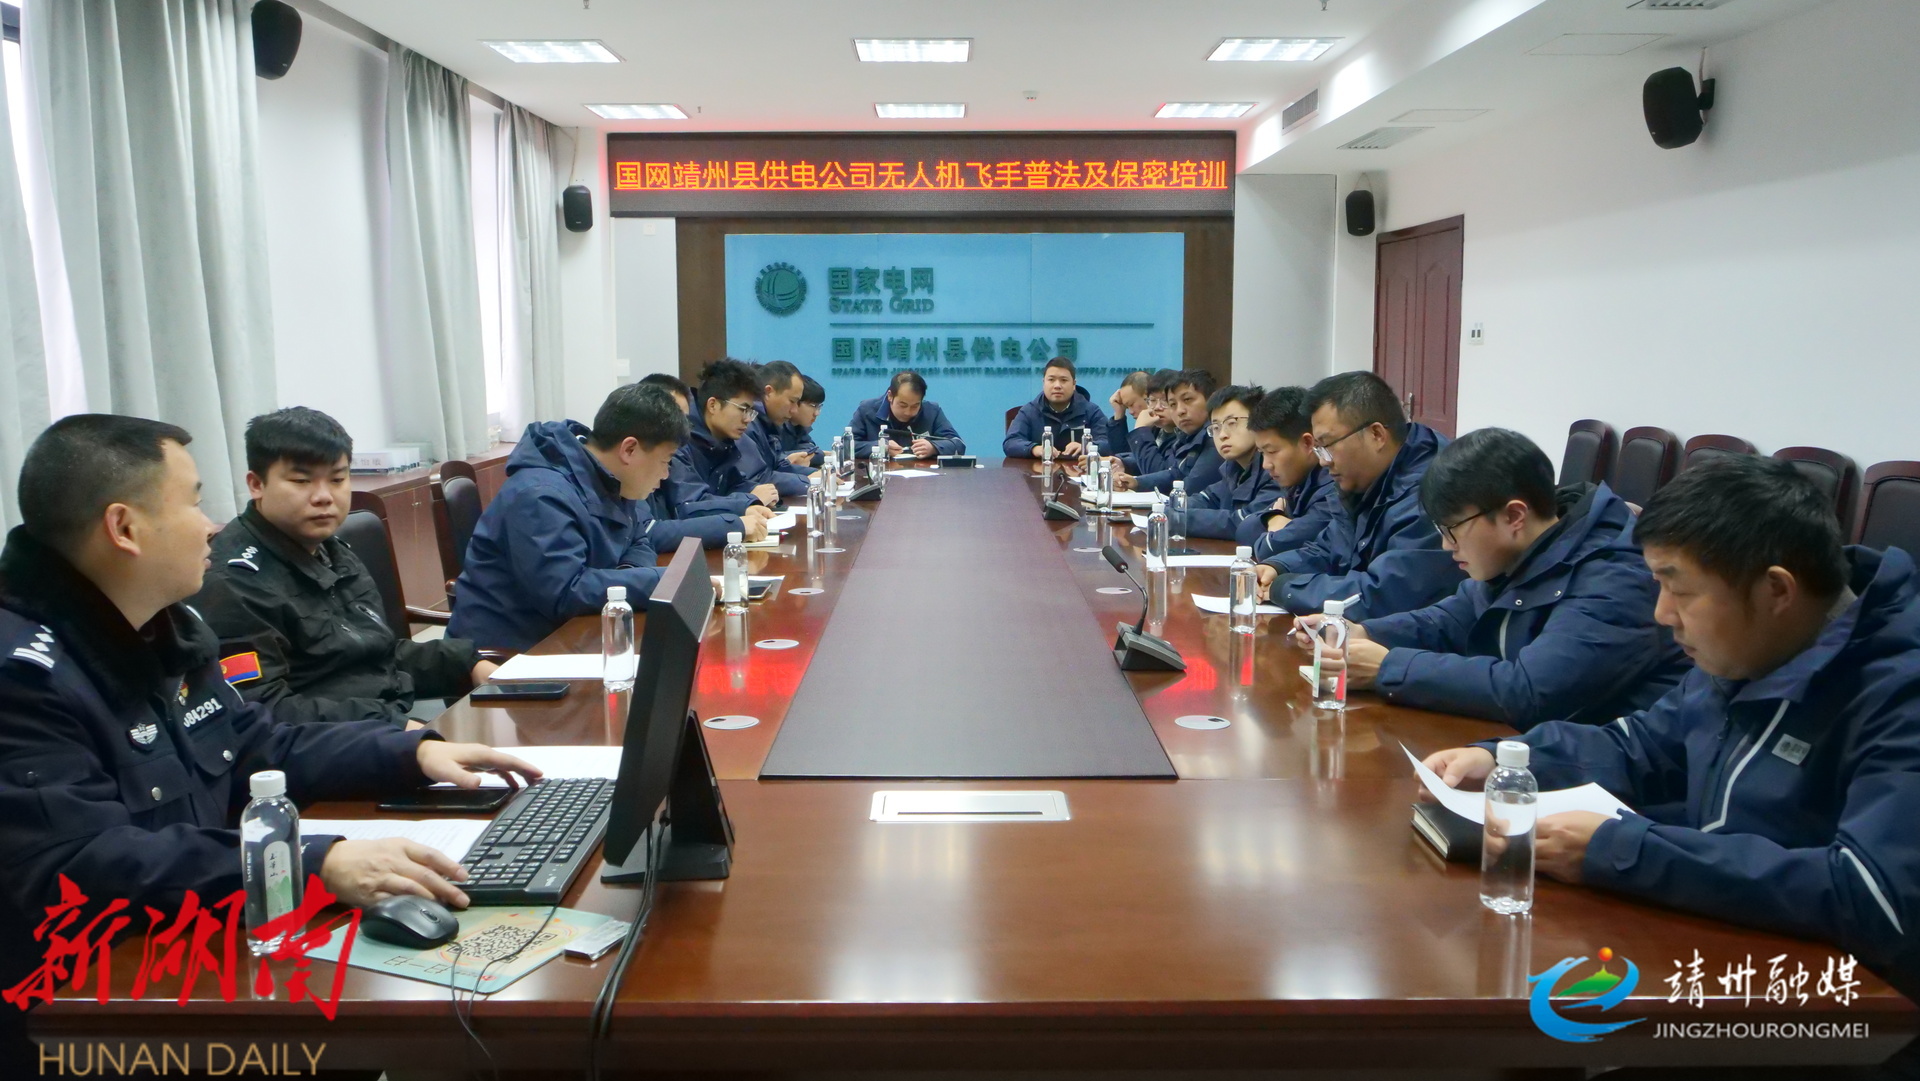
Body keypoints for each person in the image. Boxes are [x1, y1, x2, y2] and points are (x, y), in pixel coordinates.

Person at [0, 415, 539, 1037]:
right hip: (93, 1007)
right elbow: (80, 864)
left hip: (204, 936)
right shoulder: (24, 679)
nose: (210, 524)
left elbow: (260, 744)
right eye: (193, 503)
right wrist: (309, 864)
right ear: (125, 529)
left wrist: (410, 753)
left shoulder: (163, 629)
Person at [1421, 456, 1920, 1001]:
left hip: (1850, 1007)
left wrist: (1627, 852)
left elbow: (1874, 897)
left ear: (1776, 591)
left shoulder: (1898, 690)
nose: (1661, 614)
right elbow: (1642, 746)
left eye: (1679, 591)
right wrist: (1509, 757)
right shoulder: (1747, 651)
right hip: (1726, 948)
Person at [1295, 427, 1688, 728]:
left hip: (1605, 778)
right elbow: (1450, 619)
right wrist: (1365, 632)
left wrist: (1388, 667)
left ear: (1514, 516)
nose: (1446, 546)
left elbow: (1531, 691)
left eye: (1453, 530)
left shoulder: (1615, 576)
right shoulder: (1527, 551)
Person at [191, 408, 493, 729]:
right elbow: (263, 710)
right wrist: (392, 729)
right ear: (256, 484)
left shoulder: (331, 549)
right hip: (328, 746)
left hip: (383, 721)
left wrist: (469, 664)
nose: (324, 497)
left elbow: (378, 654)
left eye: (337, 479)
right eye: (301, 481)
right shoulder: (233, 582)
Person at [448, 383, 687, 652]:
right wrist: (665, 581)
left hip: (573, 632)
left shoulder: (612, 479)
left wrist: (624, 577)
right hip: (508, 653)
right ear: (629, 450)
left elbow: (639, 539)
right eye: (665, 461)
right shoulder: (540, 495)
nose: (666, 474)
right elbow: (565, 593)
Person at [1254, 371, 1462, 619]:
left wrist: (1285, 588)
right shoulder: (1362, 480)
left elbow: (1384, 595)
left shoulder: (1431, 491)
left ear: (1376, 435)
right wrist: (1278, 567)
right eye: (1319, 449)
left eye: (1327, 445)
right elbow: (1330, 548)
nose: (1323, 461)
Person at [636, 373, 771, 550]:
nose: (683, 428)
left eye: (684, 420)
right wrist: (736, 520)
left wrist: (745, 504)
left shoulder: (721, 442)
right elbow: (662, 523)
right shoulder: (672, 450)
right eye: (675, 419)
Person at [672, 359, 782, 511]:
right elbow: (690, 504)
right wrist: (750, 500)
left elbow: (732, 486)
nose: (748, 419)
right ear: (713, 405)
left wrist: (756, 491)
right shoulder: (680, 442)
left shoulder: (723, 441)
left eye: (751, 412)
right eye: (743, 409)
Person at [1244, 386, 1340, 560]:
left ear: (1308, 443)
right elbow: (1244, 529)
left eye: (1272, 451)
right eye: (1261, 453)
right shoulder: (1297, 481)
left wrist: (1274, 530)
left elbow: (1271, 548)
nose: (1266, 465)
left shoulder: (1332, 487)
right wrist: (1274, 517)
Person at [1184, 385, 1283, 541]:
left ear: (1257, 423)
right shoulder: (1232, 468)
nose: (1222, 435)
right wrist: (1170, 508)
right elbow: (1207, 499)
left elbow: (1244, 522)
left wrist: (1178, 518)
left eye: (1231, 423)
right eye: (1215, 427)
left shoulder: (1273, 469)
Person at [1115, 369, 1221, 494]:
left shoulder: (1215, 437)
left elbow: (1189, 490)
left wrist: (1140, 431)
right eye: (1173, 404)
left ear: (1211, 400)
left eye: (1187, 400)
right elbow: (1175, 474)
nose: (1180, 411)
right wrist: (1137, 482)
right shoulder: (1185, 437)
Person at [1002, 357, 1112, 459]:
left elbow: (1109, 444)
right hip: (1039, 470)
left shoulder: (1091, 411)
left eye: (1064, 380)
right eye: (1051, 380)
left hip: (1080, 470)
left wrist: (1087, 446)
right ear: (1044, 382)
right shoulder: (1030, 411)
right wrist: (1034, 449)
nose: (1057, 386)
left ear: (1074, 384)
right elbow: (1010, 443)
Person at [741, 360, 817, 499]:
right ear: (768, 392)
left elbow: (777, 465)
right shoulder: (748, 424)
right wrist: (809, 481)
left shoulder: (769, 422)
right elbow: (758, 478)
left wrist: (815, 475)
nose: (794, 410)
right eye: (792, 401)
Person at [849, 370, 966, 460]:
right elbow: (847, 446)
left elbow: (958, 444)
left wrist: (934, 447)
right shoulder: (867, 410)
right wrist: (880, 447)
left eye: (915, 406)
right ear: (890, 396)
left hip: (922, 477)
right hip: (877, 475)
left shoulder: (932, 411)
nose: (908, 412)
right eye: (903, 405)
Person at [1105, 371, 1154, 470]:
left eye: (1131, 404)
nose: (1130, 412)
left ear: (1147, 397)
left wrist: (1140, 431)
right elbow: (1123, 453)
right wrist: (1119, 413)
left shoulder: (1165, 427)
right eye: (1127, 407)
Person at [781, 375, 826, 467]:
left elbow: (816, 452)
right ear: (795, 401)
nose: (817, 413)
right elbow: (775, 458)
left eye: (819, 406)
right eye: (813, 406)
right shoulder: (776, 425)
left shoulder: (799, 426)